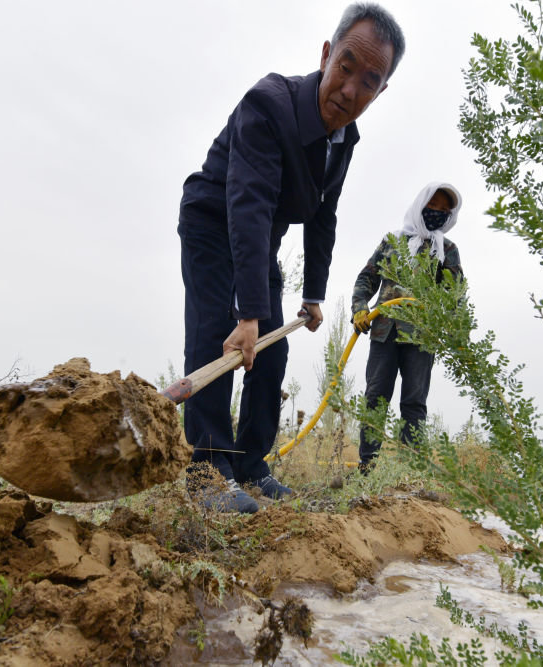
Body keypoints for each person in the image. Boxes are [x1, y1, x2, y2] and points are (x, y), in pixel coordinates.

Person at [177, 4, 405, 513]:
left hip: (260, 239)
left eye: (369, 81)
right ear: (326, 55)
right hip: (215, 219)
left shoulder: (344, 138)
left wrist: (313, 296)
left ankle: (252, 464)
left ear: (380, 90)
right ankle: (208, 469)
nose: (350, 90)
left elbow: (324, 217)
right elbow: (249, 204)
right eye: (345, 68)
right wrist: (249, 314)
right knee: (219, 331)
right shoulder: (268, 103)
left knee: (272, 351)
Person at [351, 182, 464, 473]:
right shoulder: (392, 242)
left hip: (422, 337)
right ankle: (367, 469)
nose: (437, 213)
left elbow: (456, 296)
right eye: (432, 206)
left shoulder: (447, 250)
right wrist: (360, 308)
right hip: (383, 332)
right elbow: (366, 278)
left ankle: (409, 474)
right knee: (375, 398)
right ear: (420, 205)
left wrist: (456, 332)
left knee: (414, 403)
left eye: (443, 210)